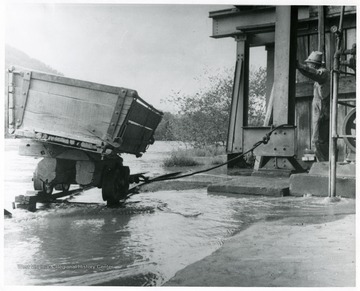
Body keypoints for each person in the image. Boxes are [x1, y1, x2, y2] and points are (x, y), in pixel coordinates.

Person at [296, 51, 331, 161]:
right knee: (319, 139)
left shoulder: (323, 73)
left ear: (314, 64)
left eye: (309, 64)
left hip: (322, 110)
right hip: (319, 109)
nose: (308, 66)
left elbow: (313, 73)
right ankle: (323, 163)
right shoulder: (320, 75)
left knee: (318, 139)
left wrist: (300, 66)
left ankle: (322, 165)